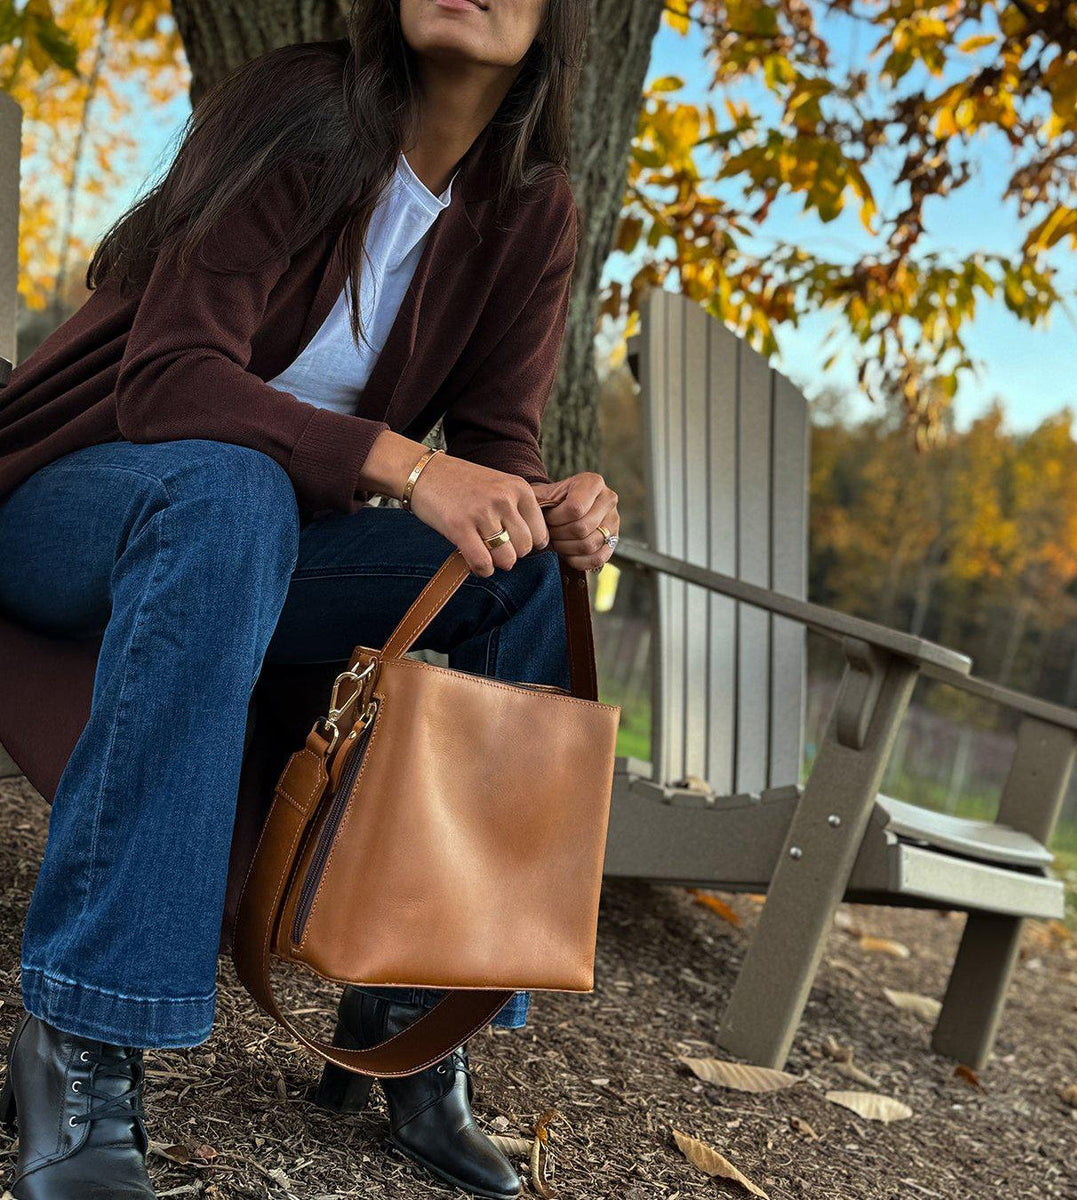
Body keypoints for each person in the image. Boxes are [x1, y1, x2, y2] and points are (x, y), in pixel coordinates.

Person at [0, 1, 620, 1197]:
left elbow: (499, 445)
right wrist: (411, 466)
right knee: (234, 493)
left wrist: (553, 507)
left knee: (529, 570)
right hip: (66, 505)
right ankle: (82, 1039)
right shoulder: (301, 110)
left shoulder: (527, 206)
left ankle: (412, 1010)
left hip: (245, 558)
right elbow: (171, 379)